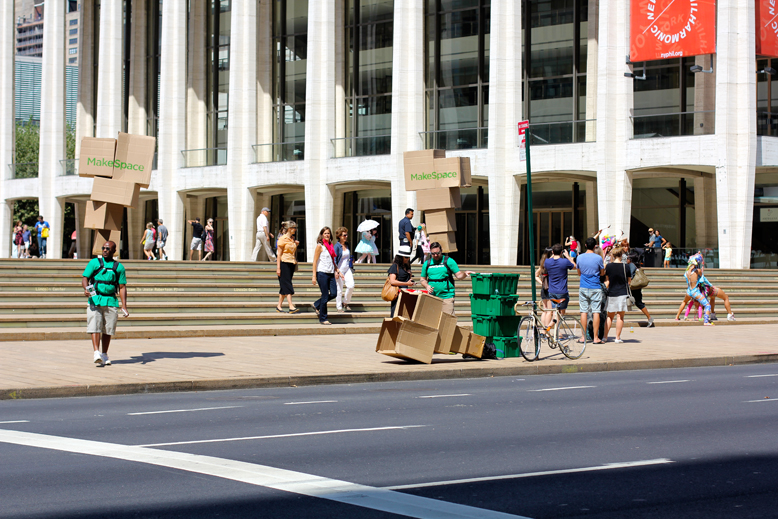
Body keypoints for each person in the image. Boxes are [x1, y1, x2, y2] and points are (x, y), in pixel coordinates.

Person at [81, 240, 128, 366]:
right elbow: (85, 278)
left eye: (108, 249)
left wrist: (124, 305)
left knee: (108, 328)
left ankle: (104, 353)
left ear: (114, 251)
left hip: (111, 300)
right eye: (103, 248)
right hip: (95, 299)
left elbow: (122, 287)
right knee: (95, 325)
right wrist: (86, 289)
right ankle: (96, 352)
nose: (105, 250)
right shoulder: (94, 263)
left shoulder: (119, 267)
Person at [420, 242, 475, 315]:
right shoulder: (427, 263)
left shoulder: (449, 261)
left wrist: (464, 274)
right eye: (433, 254)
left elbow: (459, 276)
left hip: (447, 296)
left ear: (441, 251)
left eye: (437, 253)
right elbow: (422, 279)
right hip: (432, 297)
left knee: (447, 320)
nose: (435, 255)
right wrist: (426, 286)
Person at [577, 237, 606, 344]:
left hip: (583, 286)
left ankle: (583, 337)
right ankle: (595, 337)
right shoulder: (598, 258)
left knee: (583, 312)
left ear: (585, 245)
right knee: (596, 312)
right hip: (595, 286)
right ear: (595, 246)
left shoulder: (580, 257)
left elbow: (579, 273)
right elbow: (602, 273)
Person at [312, 226, 341, 325]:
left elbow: (332, 261)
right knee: (324, 296)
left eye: (328, 233)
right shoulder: (320, 246)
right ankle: (323, 318)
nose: (327, 235)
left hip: (331, 273)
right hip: (322, 273)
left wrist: (337, 270)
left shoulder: (330, 246)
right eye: (325, 233)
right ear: (322, 235)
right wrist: (314, 276)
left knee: (334, 293)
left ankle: (316, 304)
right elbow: (315, 261)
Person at [604, 247, 630, 343]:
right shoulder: (625, 266)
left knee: (609, 316)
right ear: (622, 255)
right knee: (620, 316)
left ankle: (605, 337)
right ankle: (617, 338)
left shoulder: (609, 266)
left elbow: (607, 280)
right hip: (622, 293)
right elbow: (629, 281)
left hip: (611, 293)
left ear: (613, 255)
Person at [544, 243, 576, 318]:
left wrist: (553, 254)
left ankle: (552, 327)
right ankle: (556, 327)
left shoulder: (547, 262)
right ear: (561, 252)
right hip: (562, 291)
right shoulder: (565, 261)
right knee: (561, 313)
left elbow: (549, 260)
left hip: (551, 291)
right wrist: (568, 256)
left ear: (552, 252)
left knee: (554, 311)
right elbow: (575, 266)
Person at [276, 221, 300, 313]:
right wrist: (278, 268)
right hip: (284, 263)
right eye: (294, 228)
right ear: (290, 229)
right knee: (287, 284)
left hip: (291, 263)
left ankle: (279, 306)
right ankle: (291, 306)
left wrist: (295, 244)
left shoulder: (292, 239)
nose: (295, 229)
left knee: (284, 285)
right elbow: (279, 255)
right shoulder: (282, 239)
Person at [626, 250, 655, 327]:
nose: (626, 259)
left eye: (627, 258)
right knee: (638, 303)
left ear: (630, 259)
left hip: (633, 288)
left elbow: (630, 275)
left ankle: (649, 318)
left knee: (639, 303)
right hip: (636, 287)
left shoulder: (631, 265)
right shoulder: (637, 265)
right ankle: (649, 318)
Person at [683, 252, 712, 325]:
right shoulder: (698, 271)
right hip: (695, 291)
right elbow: (703, 280)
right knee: (707, 305)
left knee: (689, 303)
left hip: (689, 291)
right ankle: (706, 321)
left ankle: (685, 316)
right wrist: (710, 285)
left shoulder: (686, 272)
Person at [387, 244, 416, 316]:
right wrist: (407, 283)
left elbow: (407, 280)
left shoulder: (406, 266)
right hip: (397, 294)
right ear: (400, 257)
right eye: (406, 257)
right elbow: (392, 281)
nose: (408, 259)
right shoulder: (395, 266)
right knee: (396, 314)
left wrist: (410, 279)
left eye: (408, 257)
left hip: (406, 294)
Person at [334, 227, 355, 312]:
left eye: (346, 234)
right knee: (339, 289)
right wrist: (336, 271)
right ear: (339, 236)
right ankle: (339, 307)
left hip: (347, 269)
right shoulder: (337, 246)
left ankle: (345, 302)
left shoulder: (347, 244)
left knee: (351, 285)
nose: (346, 236)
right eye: (344, 235)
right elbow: (334, 260)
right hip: (339, 269)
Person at [535, 248, 553, 329]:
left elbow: (535, 275)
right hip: (550, 288)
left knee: (545, 310)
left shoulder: (543, 264)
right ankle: (546, 330)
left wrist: (542, 283)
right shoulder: (550, 264)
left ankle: (543, 330)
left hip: (543, 289)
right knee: (549, 311)